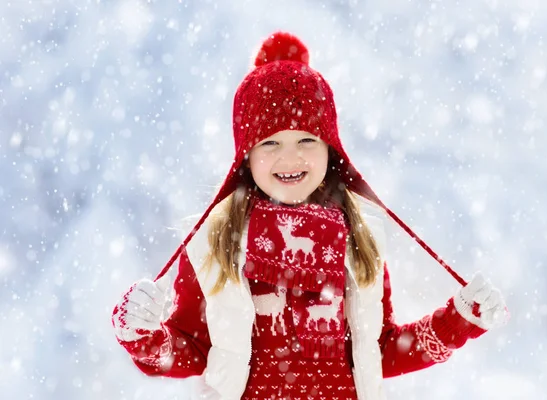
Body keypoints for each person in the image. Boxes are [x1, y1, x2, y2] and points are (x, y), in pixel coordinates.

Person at [112, 32, 509, 400]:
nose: (291, 157)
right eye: (270, 142)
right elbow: (192, 349)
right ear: (245, 157)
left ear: (330, 149)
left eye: (306, 139)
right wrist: (144, 335)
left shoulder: (359, 239)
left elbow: (381, 350)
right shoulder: (215, 243)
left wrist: (457, 322)